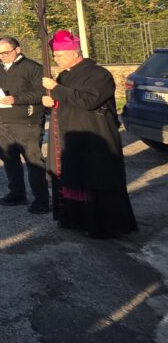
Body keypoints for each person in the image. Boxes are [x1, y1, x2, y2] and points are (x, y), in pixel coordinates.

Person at [41, 30, 137, 239]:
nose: (56, 60)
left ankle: (103, 226)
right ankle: (75, 218)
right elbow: (66, 100)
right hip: (71, 133)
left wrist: (56, 88)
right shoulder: (64, 75)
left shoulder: (98, 74)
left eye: (60, 56)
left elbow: (89, 101)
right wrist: (51, 102)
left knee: (96, 179)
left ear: (75, 53)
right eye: (55, 56)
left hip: (95, 135)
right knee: (74, 177)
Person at [0, 37, 49, 213]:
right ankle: (17, 193)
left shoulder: (33, 68)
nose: (1, 56)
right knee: (9, 160)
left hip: (26, 122)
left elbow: (42, 92)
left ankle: (41, 199)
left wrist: (15, 99)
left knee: (34, 161)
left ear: (17, 49)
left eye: (5, 52)